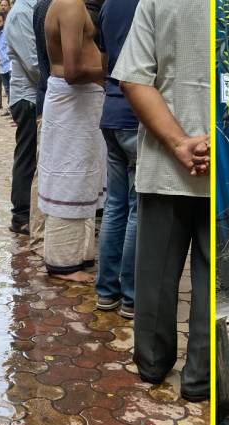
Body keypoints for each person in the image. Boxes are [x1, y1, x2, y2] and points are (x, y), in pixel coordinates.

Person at [114, 0, 209, 401]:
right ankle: (200, 380)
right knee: (208, 280)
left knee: (154, 274)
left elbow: (134, 79)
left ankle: (152, 365)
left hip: (165, 164)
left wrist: (179, 144)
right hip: (222, 161)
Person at [38, 0, 106, 279]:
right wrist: (110, 68)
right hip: (72, 105)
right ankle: (63, 262)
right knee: (71, 178)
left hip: (78, 106)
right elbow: (72, 71)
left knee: (83, 177)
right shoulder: (69, 5)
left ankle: (79, 256)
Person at [93, 0, 140, 319]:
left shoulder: (109, 5)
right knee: (138, 207)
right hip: (137, 116)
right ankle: (132, 295)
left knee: (115, 204)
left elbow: (103, 59)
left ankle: (107, 291)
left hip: (111, 111)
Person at [5, 0, 41, 234]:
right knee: (27, 155)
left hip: (35, 94)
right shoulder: (21, 14)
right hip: (27, 96)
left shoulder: (33, 8)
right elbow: (34, 64)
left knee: (34, 155)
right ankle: (21, 215)